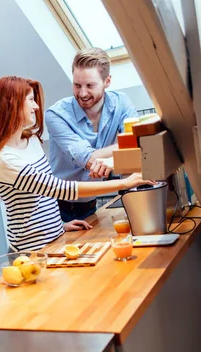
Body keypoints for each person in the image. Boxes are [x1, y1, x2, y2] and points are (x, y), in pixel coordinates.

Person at [0, 76, 150, 252]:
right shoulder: (5, 160)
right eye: (30, 100)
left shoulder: (32, 141)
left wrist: (60, 225)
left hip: (54, 242)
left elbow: (42, 198)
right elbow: (57, 188)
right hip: (31, 252)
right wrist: (125, 183)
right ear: (12, 103)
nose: (36, 106)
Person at [46, 48, 138, 222]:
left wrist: (115, 158)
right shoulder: (56, 115)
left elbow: (137, 145)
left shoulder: (122, 103)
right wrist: (122, 148)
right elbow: (88, 159)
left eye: (90, 85)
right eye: (77, 85)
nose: (82, 93)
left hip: (89, 202)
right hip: (57, 207)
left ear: (107, 81)